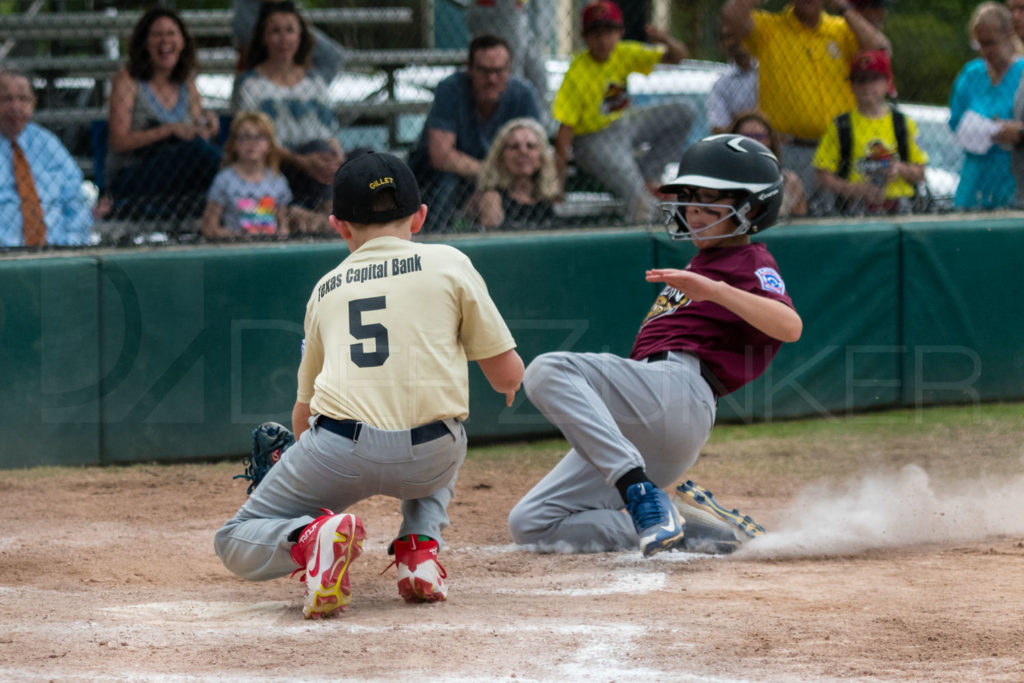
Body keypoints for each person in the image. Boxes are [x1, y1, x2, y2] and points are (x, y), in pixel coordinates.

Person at [214, 151, 524, 618]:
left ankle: (308, 539)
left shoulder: (325, 288)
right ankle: (419, 550)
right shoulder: (449, 262)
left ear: (339, 226)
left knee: (233, 538)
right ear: (419, 218)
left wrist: (298, 465)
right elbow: (507, 374)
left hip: (341, 452)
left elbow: (303, 414)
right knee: (447, 430)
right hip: (432, 457)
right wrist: (508, 384)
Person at [508, 134, 802, 557]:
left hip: (680, 392)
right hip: (648, 414)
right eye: (689, 200)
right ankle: (690, 526)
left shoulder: (749, 259)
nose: (693, 212)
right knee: (532, 523)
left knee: (547, 370)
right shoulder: (703, 263)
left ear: (751, 208)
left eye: (707, 201)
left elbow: (789, 326)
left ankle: (639, 491)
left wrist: (717, 291)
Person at [721, 0, 891, 204]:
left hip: (838, 149)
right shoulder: (769, 27)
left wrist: (844, 8)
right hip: (788, 149)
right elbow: (731, 14)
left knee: (838, 220)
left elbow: (881, 50)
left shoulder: (841, 28)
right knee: (788, 217)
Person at [552, 0, 694, 224]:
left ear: (620, 32)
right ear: (585, 37)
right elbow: (564, 134)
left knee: (684, 111)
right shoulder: (576, 72)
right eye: (595, 32)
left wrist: (663, 38)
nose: (602, 39)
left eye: (609, 31)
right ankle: (643, 233)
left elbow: (678, 56)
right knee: (639, 198)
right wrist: (557, 186)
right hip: (593, 139)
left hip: (626, 123)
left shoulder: (623, 52)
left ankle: (650, 173)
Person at [409, 34, 541, 232]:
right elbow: (441, 156)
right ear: (469, 68)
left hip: (500, 176)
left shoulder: (523, 94)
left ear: (509, 70)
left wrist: (498, 179)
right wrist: (492, 174)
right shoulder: (451, 89)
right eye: (484, 71)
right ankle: (435, 239)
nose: (492, 79)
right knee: (447, 182)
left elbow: (535, 152)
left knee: (516, 188)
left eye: (499, 71)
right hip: (444, 176)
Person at [106, 7, 222, 219]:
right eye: (156, 34)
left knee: (210, 146)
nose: (164, 41)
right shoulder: (128, 79)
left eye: (171, 34)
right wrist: (168, 130)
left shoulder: (186, 81)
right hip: (136, 171)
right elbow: (119, 141)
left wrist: (208, 122)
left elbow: (198, 129)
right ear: (144, 42)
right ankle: (244, 185)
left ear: (183, 42)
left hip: (182, 170)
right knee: (198, 152)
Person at [234, 1, 345, 212]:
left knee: (367, 155)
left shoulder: (314, 81)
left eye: (290, 30)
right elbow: (252, 140)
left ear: (300, 36)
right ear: (263, 37)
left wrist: (337, 155)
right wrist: (301, 160)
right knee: (318, 149)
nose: (284, 38)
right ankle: (328, 215)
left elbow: (330, 133)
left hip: (320, 160)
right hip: (281, 163)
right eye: (275, 31)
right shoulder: (251, 85)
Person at [814, 50, 927, 215]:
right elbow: (822, 177)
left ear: (888, 83)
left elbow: (921, 171)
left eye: (874, 79)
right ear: (852, 86)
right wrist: (855, 189)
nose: (867, 86)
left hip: (898, 205)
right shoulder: (842, 125)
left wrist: (899, 168)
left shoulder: (902, 123)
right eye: (860, 80)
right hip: (855, 206)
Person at [0, 68, 94, 248]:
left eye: (23, 99)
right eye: (6, 99)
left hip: (55, 249)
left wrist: (70, 245)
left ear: (33, 103)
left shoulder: (48, 144)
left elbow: (75, 200)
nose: (16, 107)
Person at [949, 2, 1024, 209]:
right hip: (974, 177)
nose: (985, 51)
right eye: (979, 44)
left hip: (1010, 178)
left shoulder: (1021, 72)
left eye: (990, 43)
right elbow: (955, 120)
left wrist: (1014, 132)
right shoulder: (971, 74)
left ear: (1008, 36)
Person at [201, 112, 291, 240]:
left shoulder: (278, 180)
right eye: (245, 137)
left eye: (260, 137)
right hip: (237, 249)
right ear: (234, 144)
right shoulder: (224, 180)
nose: (252, 143)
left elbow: (283, 226)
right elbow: (209, 228)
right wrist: (239, 236)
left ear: (270, 145)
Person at [466, 117, 559, 230]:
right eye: (515, 146)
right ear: (501, 158)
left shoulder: (545, 199)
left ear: (541, 158)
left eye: (530, 146)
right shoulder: (492, 198)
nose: (523, 152)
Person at [232, 0, 347, 85]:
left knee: (330, 55)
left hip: (282, 15)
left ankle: (299, 92)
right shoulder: (248, 18)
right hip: (256, 25)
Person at [464, 0, 549, 111]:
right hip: (491, 10)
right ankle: (509, 117)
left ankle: (537, 123)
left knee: (537, 76)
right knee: (507, 72)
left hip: (519, 12)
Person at [730, 111, 808, 218]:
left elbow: (800, 220)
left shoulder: (788, 180)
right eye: (746, 136)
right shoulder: (724, 180)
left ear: (770, 141)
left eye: (759, 136)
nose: (753, 141)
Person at [707, 19, 759, 135]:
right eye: (728, 37)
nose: (733, 41)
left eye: (738, 34)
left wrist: (737, 122)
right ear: (721, 44)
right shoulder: (722, 84)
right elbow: (719, 130)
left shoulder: (769, 71)